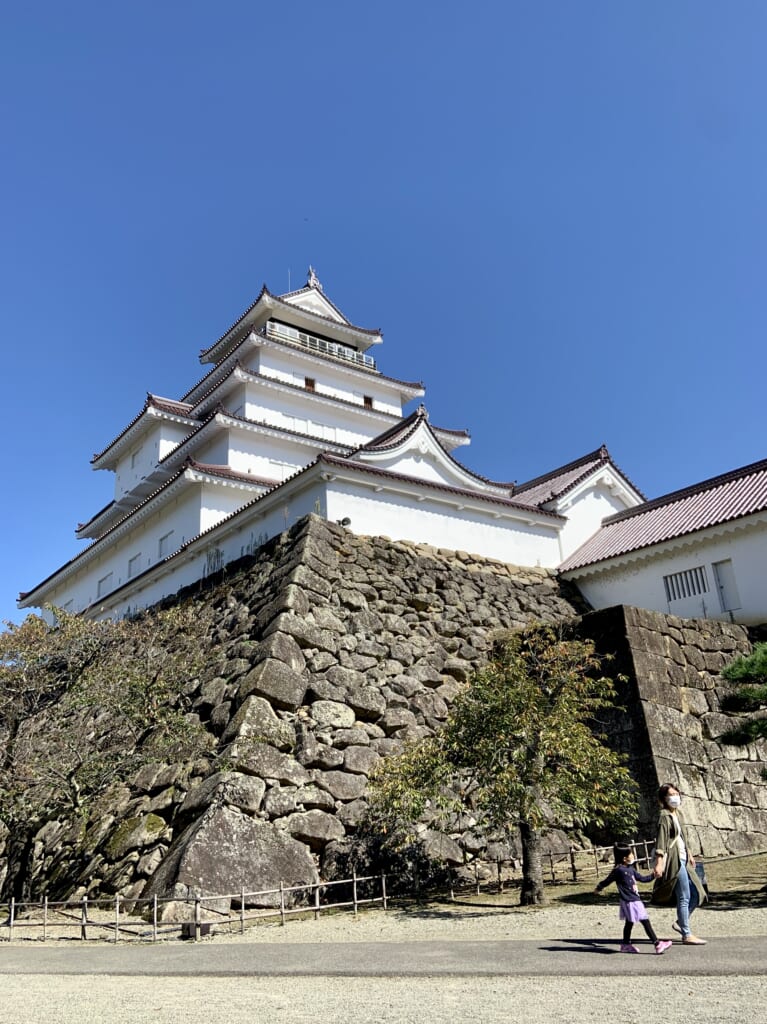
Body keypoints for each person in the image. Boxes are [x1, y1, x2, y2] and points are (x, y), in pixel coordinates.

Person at [651, 782, 707, 944]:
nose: (675, 797)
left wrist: (689, 853)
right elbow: (661, 841)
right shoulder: (664, 816)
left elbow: (682, 837)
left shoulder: (678, 814)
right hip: (674, 859)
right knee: (684, 896)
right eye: (671, 795)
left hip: (683, 857)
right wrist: (659, 863)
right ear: (664, 799)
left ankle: (680, 922)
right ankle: (687, 934)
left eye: (676, 794)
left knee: (698, 894)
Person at [594, 844, 673, 954]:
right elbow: (607, 880)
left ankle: (626, 944)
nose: (633, 855)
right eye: (630, 854)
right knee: (645, 921)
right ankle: (657, 944)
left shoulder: (630, 869)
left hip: (632, 900)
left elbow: (642, 878)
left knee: (629, 922)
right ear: (624, 858)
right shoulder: (618, 870)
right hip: (631, 901)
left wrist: (653, 876)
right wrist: (599, 888)